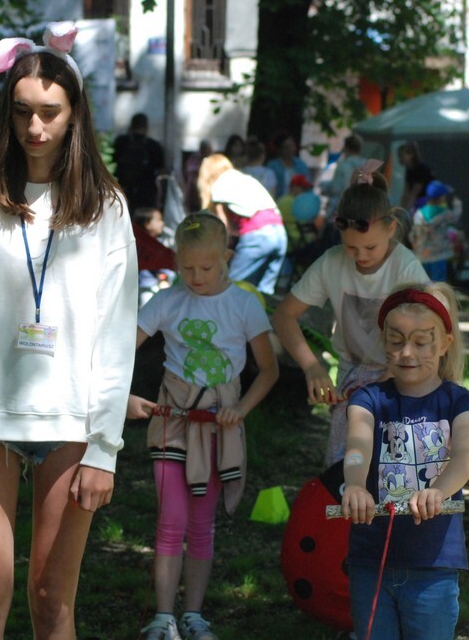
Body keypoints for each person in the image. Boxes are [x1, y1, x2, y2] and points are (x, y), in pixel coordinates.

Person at [0, 23, 138, 638]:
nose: (35, 128)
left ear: (76, 115)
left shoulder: (108, 209)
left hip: (73, 421)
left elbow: (117, 338)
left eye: (50, 113)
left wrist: (105, 448)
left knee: (51, 600)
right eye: (21, 112)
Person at [127, 212, 279, 640]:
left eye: (206, 268)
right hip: (172, 422)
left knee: (201, 524)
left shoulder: (245, 305)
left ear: (227, 257)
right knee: (170, 519)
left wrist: (241, 410)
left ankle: (193, 613)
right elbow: (120, 351)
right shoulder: (166, 301)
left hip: (217, 425)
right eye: (187, 267)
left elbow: (267, 370)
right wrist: (121, 397)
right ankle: (163, 616)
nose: (195, 276)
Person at [341, 283, 469, 640]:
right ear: (384, 340)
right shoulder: (368, 400)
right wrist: (355, 484)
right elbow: (358, 446)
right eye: (396, 340)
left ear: (444, 344)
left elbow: (465, 458)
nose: (407, 352)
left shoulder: (461, 402)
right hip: (370, 561)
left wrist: (438, 491)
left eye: (421, 342)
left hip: (433, 563)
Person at [271, 163, 430, 466]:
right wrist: (312, 367)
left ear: (391, 228)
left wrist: (392, 375)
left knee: (394, 471)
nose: (361, 256)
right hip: (351, 376)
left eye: (370, 246)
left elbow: (431, 331)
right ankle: (350, 515)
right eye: (350, 247)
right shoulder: (332, 262)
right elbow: (284, 316)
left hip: (403, 375)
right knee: (345, 469)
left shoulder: (405, 268)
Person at [198, 153, 288, 295]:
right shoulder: (246, 179)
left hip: (258, 235)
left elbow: (223, 228)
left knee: (229, 289)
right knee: (263, 292)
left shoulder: (219, 184)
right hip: (280, 233)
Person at [410, 180, 463, 282]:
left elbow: (413, 234)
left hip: (422, 255)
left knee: (423, 284)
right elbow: (456, 215)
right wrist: (457, 203)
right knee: (438, 285)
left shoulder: (419, 213)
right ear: (442, 197)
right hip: (439, 255)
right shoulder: (445, 213)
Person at [114, 112, 167, 212]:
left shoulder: (121, 142)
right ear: (146, 126)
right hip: (147, 192)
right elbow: (161, 169)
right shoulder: (154, 146)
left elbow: (114, 163)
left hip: (125, 190)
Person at [135, 206, 176, 307]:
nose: (162, 223)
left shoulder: (161, 244)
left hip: (160, 287)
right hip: (146, 288)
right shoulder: (137, 245)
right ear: (147, 224)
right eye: (158, 220)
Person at [265, 131, 311, 197]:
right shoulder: (272, 166)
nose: (290, 150)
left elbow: (308, 184)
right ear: (280, 149)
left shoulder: (301, 164)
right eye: (286, 147)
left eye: (292, 146)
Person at [396, 141, 434, 212]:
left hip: (427, 202)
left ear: (411, 155)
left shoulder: (421, 169)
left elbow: (414, 194)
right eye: (399, 156)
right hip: (418, 202)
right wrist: (399, 210)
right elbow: (406, 193)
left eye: (401, 155)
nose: (400, 158)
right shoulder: (409, 170)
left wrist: (405, 213)